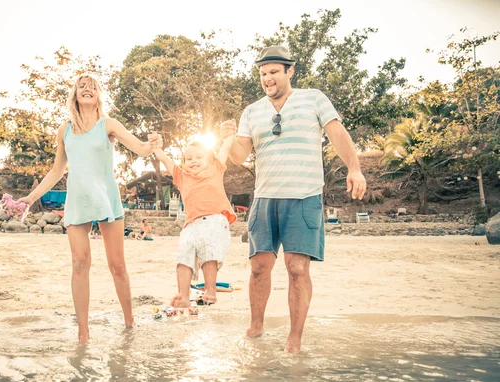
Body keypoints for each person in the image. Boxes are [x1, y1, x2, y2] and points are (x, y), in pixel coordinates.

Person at [220, 45, 367, 353]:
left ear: (290, 71)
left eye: (273, 72)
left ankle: (294, 339)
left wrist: (355, 168)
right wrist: (227, 138)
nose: (267, 78)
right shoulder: (252, 111)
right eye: (262, 73)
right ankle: (256, 326)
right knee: (259, 267)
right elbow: (239, 156)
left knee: (297, 268)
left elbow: (337, 133)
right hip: (265, 199)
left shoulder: (314, 99)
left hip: (303, 196)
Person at [18, 74, 162, 344]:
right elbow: (56, 170)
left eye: (92, 87)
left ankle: (129, 324)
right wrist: (29, 197)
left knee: (117, 266)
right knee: (80, 262)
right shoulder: (65, 130)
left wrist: (152, 144)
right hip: (78, 200)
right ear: (74, 95)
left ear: (98, 96)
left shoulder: (108, 124)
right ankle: (83, 334)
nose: (87, 89)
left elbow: (140, 149)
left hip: (106, 197)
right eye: (82, 86)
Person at [153, 137, 237, 308]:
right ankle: (183, 296)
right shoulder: (181, 176)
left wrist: (228, 135)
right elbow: (166, 160)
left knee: (208, 247)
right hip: (192, 223)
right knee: (184, 251)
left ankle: (210, 291)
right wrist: (156, 147)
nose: (193, 161)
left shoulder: (215, 168)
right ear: (183, 163)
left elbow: (224, 149)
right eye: (189, 159)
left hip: (215, 218)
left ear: (209, 160)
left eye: (199, 157)